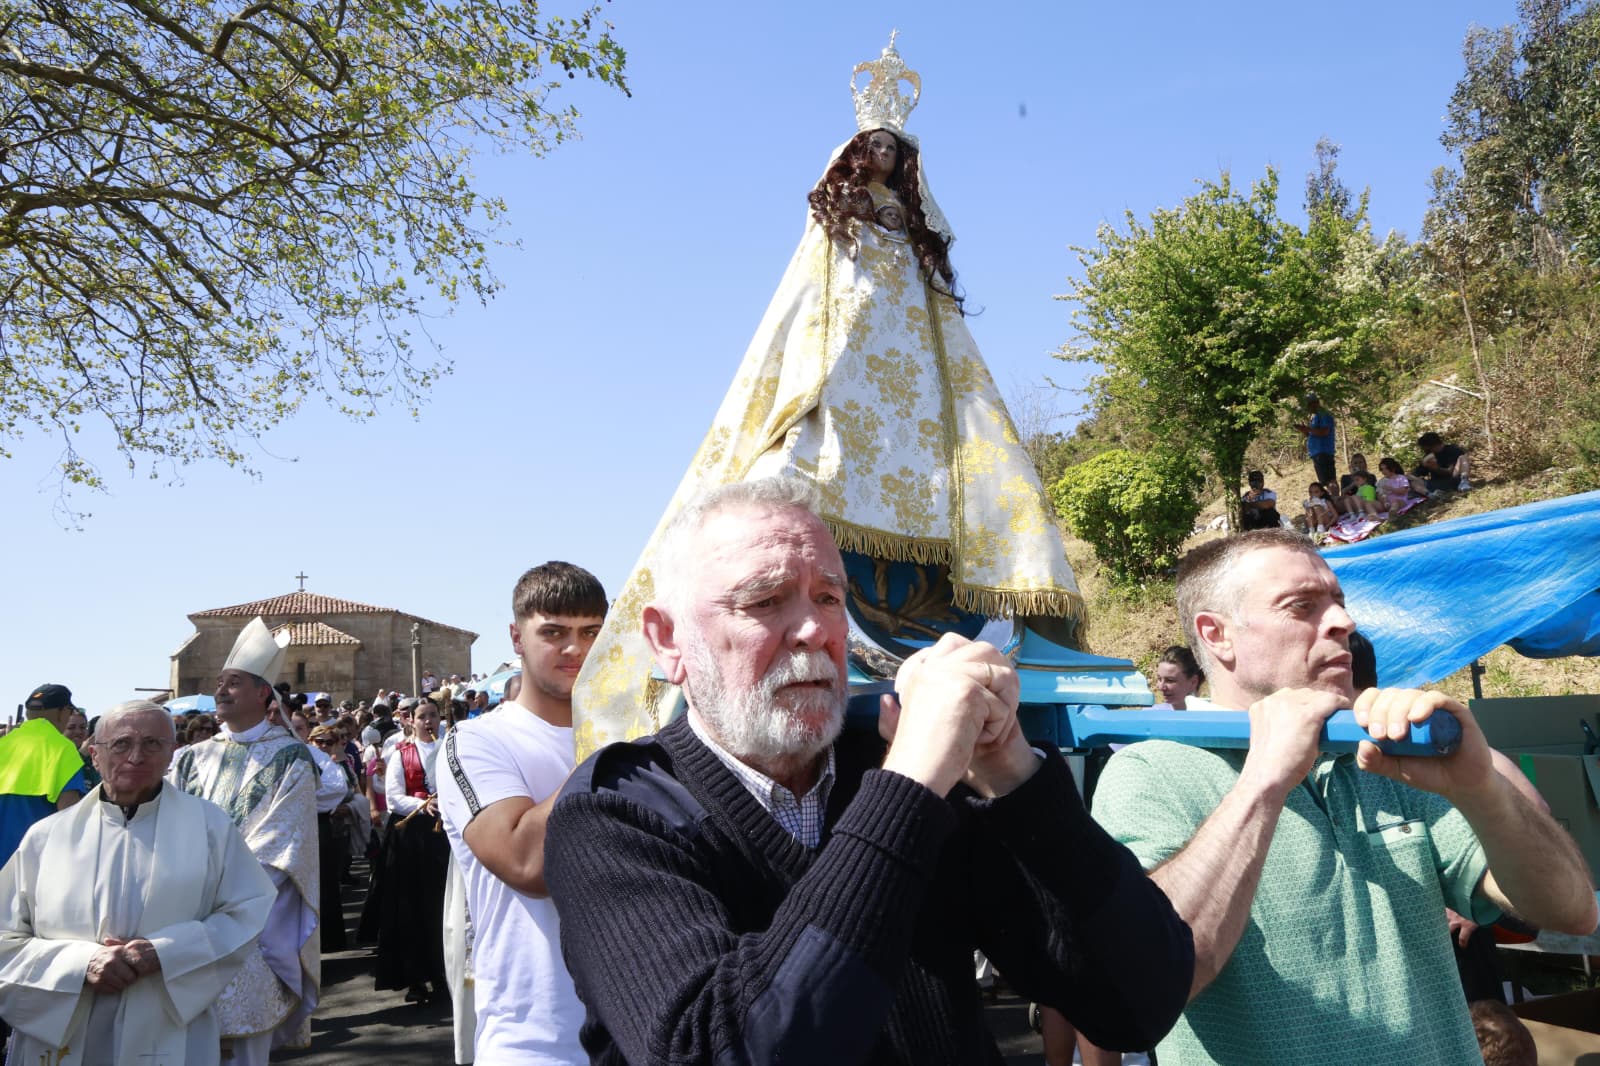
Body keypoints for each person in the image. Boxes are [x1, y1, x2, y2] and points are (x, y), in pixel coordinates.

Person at [546, 477, 1193, 1064]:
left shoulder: (902, 777)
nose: (813, 631)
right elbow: (729, 1049)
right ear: (667, 640)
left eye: (829, 598)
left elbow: (1138, 1004)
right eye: (765, 600)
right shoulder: (617, 812)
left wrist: (1012, 771)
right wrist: (911, 783)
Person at [574, 38, 1086, 752]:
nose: (881, 156)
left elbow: (933, 295)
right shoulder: (836, 222)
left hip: (917, 358)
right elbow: (812, 301)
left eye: (891, 149)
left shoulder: (912, 228)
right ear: (855, 153)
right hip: (846, 355)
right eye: (872, 146)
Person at [1090, 529, 1597, 1065]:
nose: (1343, 623)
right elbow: (1151, 980)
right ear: (1217, 635)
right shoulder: (1146, 771)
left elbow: (1573, 911)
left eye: (1339, 602)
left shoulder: (1391, 760)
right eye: (1302, 606)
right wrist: (1265, 779)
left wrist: (1482, 790)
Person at [0, 700, 277, 1066]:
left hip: (168, 1020)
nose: (136, 756)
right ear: (94, 756)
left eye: (152, 743)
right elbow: (5, 936)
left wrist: (167, 951)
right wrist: (80, 963)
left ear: (171, 754)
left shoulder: (211, 828)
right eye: (121, 744)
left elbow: (248, 910)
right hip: (67, 1022)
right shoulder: (47, 836)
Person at [439, 561, 608, 1064]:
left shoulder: (643, 736)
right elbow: (526, 862)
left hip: (647, 1029)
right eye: (553, 632)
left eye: (591, 632)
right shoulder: (477, 741)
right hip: (537, 1037)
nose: (575, 648)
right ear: (517, 637)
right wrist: (613, 745)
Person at [167, 617, 321, 1065]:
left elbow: (283, 839)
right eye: (219, 682)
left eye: (233, 682)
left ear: (262, 694)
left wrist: (222, 889)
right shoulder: (190, 757)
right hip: (187, 915)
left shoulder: (291, 756)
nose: (221, 689)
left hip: (250, 918)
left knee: (243, 1045)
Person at [372, 697, 449, 1005]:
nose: (427, 721)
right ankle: (415, 977)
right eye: (421, 716)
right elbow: (392, 798)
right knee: (411, 907)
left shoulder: (448, 749)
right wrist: (423, 804)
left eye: (432, 715)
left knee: (441, 906)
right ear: (410, 721)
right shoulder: (400, 753)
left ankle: (443, 974)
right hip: (410, 835)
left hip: (443, 835)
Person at [0, 683, 88, 868]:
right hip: (34, 866)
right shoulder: (63, 749)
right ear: (62, 712)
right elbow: (70, 815)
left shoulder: (4, 744)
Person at [1296, 392, 1337, 485]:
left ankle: (1335, 497)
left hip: (1323, 452)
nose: (1308, 409)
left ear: (1315, 403)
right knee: (1324, 481)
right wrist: (1304, 430)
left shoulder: (1324, 415)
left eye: (1308, 405)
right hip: (1317, 454)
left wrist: (1308, 429)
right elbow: (1313, 434)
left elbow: (1324, 431)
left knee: (1330, 481)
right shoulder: (1315, 417)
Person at [1151, 645, 1204, 710]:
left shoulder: (1212, 715)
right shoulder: (1151, 715)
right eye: (1159, 679)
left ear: (1193, 682)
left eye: (1170, 680)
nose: (1161, 687)